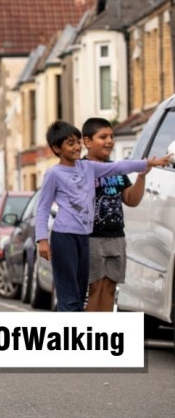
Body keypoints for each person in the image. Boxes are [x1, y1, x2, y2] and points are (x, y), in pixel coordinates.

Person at [35, 120, 170, 312]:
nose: (76, 147)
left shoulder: (89, 168)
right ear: (57, 148)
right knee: (76, 294)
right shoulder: (55, 173)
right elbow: (42, 208)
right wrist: (42, 239)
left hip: (96, 236)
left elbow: (120, 169)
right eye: (70, 143)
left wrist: (146, 166)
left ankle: (98, 335)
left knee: (90, 292)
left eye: (76, 142)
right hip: (73, 236)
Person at [81, 118, 148, 311]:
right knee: (94, 288)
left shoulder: (117, 171)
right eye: (103, 137)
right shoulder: (80, 169)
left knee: (110, 288)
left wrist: (141, 177)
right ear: (87, 142)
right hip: (91, 238)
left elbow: (131, 199)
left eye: (111, 136)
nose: (109, 141)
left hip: (116, 237)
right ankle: (91, 336)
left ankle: (106, 334)